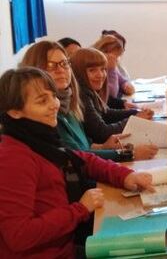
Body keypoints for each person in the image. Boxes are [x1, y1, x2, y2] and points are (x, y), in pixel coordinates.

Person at [0, 67, 155, 258]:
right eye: (42, 101)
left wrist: (126, 176)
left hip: (64, 248)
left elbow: (84, 159)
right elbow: (19, 235)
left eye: (53, 96)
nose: (54, 105)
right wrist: (80, 209)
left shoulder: (37, 140)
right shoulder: (14, 159)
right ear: (15, 112)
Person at [20, 40, 155, 161]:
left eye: (64, 63)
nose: (61, 70)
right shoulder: (46, 113)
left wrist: (102, 147)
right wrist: (127, 154)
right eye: (51, 65)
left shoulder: (70, 101)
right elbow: (75, 156)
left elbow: (83, 143)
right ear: (35, 71)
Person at [70, 48, 156, 155]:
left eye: (103, 69)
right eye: (92, 70)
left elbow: (106, 113)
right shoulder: (81, 94)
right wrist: (133, 120)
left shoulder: (88, 90)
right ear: (78, 73)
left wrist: (136, 113)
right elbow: (102, 133)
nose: (100, 75)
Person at [93, 35, 135, 100]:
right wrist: (111, 70)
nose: (116, 59)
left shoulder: (112, 65)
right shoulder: (96, 70)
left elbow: (122, 81)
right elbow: (111, 94)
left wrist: (126, 86)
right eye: (115, 56)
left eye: (117, 56)